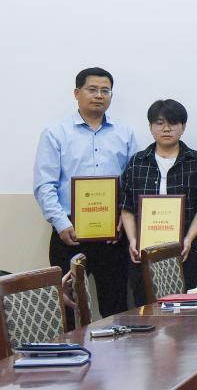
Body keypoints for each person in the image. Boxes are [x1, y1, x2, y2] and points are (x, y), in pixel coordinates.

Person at [33, 67, 137, 316]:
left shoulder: (124, 134)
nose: (99, 95)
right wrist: (61, 224)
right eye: (92, 89)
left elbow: (132, 183)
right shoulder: (55, 133)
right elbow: (44, 185)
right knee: (68, 307)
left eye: (105, 91)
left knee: (116, 306)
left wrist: (123, 219)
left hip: (113, 235)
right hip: (70, 232)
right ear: (77, 93)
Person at [121, 99, 197, 299]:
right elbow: (126, 207)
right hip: (144, 251)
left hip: (185, 250)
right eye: (159, 123)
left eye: (173, 123)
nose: (166, 129)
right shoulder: (137, 162)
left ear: (183, 127)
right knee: (145, 304)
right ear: (150, 127)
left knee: (184, 305)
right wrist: (133, 240)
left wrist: (188, 239)